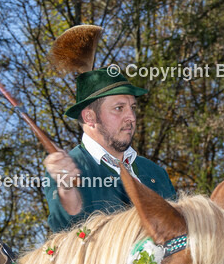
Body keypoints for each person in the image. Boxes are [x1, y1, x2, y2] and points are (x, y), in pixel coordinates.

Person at [42, 66, 175, 231]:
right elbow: (67, 232)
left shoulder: (157, 173)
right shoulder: (67, 169)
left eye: (133, 108)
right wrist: (67, 189)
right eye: (119, 108)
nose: (131, 117)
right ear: (90, 117)